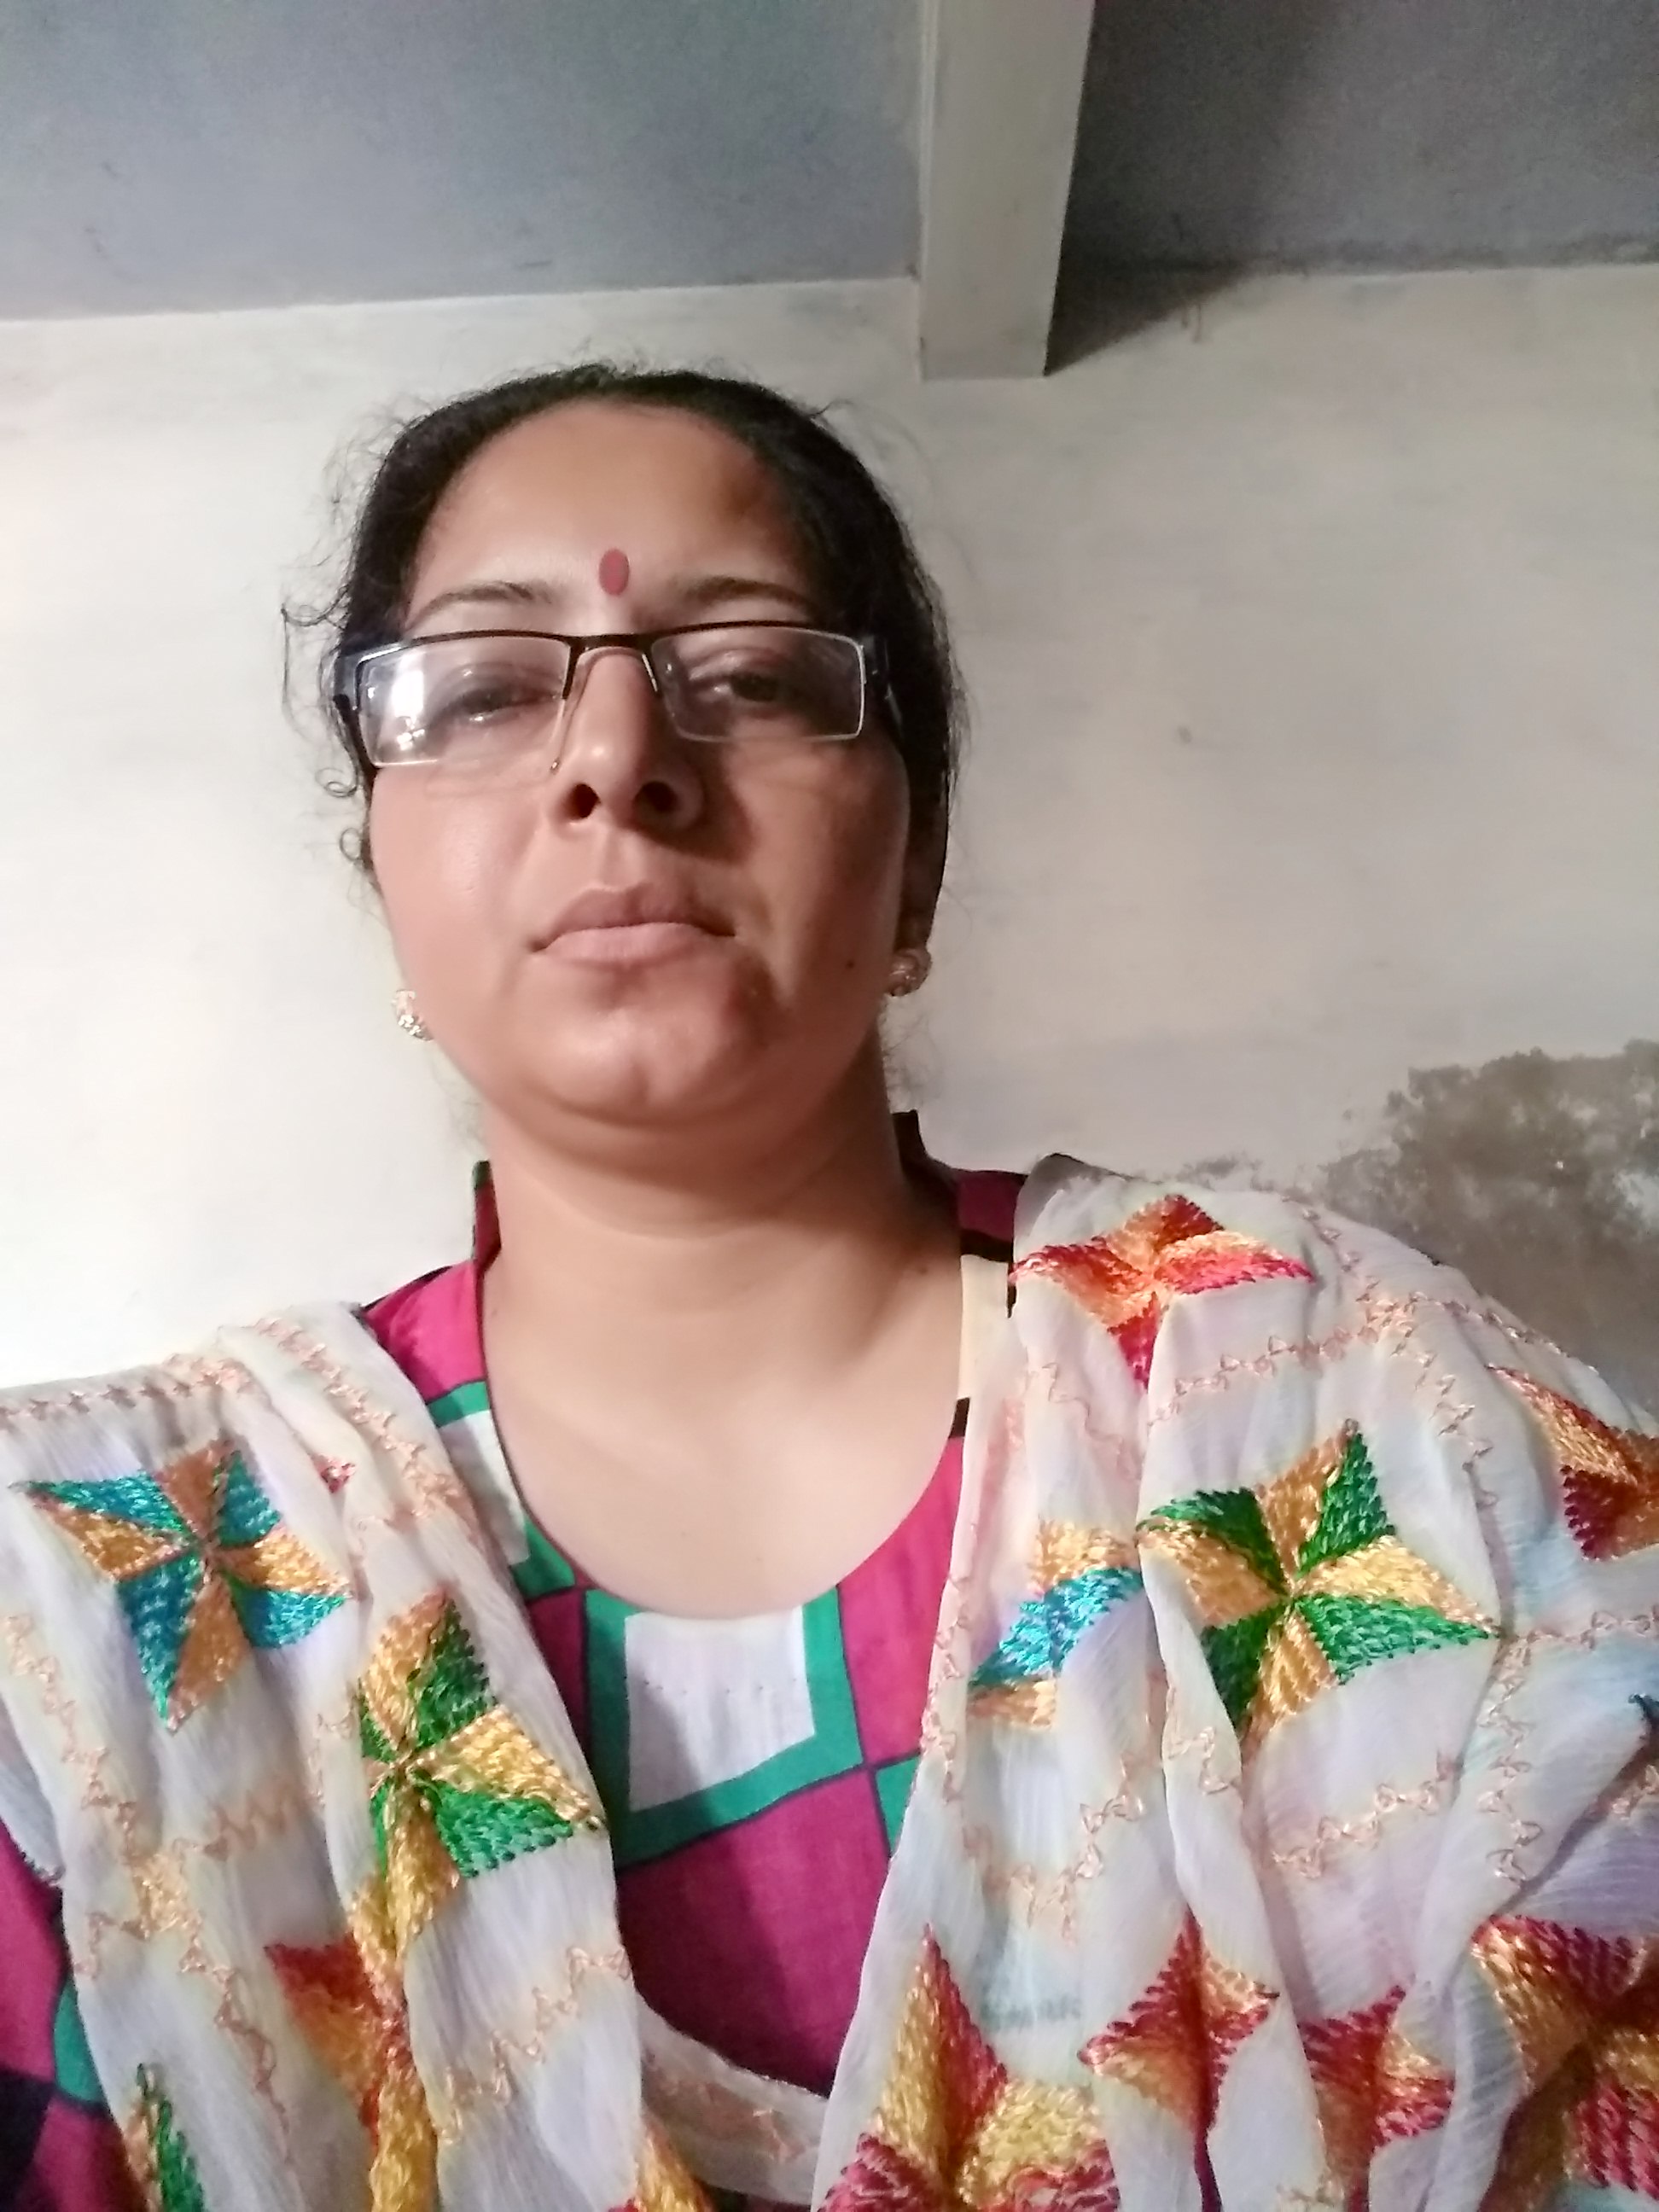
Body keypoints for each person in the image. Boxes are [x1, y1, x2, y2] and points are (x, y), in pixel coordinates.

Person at [0, 364, 1654, 2212]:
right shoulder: (96, 1608)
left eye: (751, 675)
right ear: (383, 872)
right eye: (484, 688)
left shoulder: (1359, 1409)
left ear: (915, 859)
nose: (615, 759)